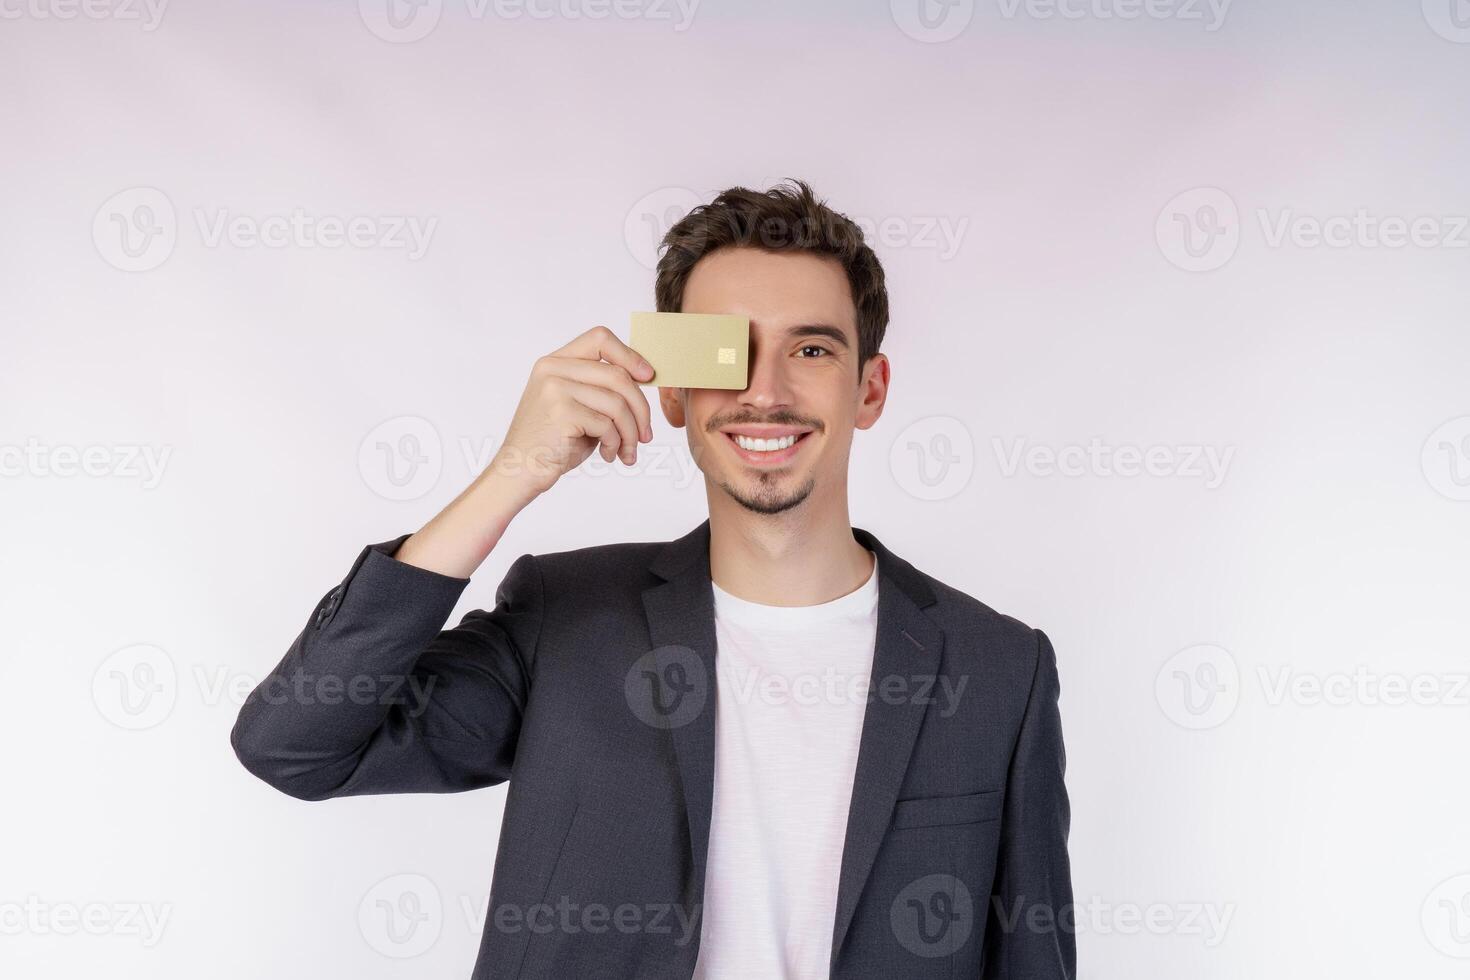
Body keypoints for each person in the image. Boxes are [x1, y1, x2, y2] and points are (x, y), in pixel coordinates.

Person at [230, 178, 1075, 979]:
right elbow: (295, 745)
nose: (764, 392)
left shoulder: (999, 669)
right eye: (726, 352)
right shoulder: (565, 622)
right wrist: (514, 473)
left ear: (871, 388)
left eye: (811, 348)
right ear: (674, 393)